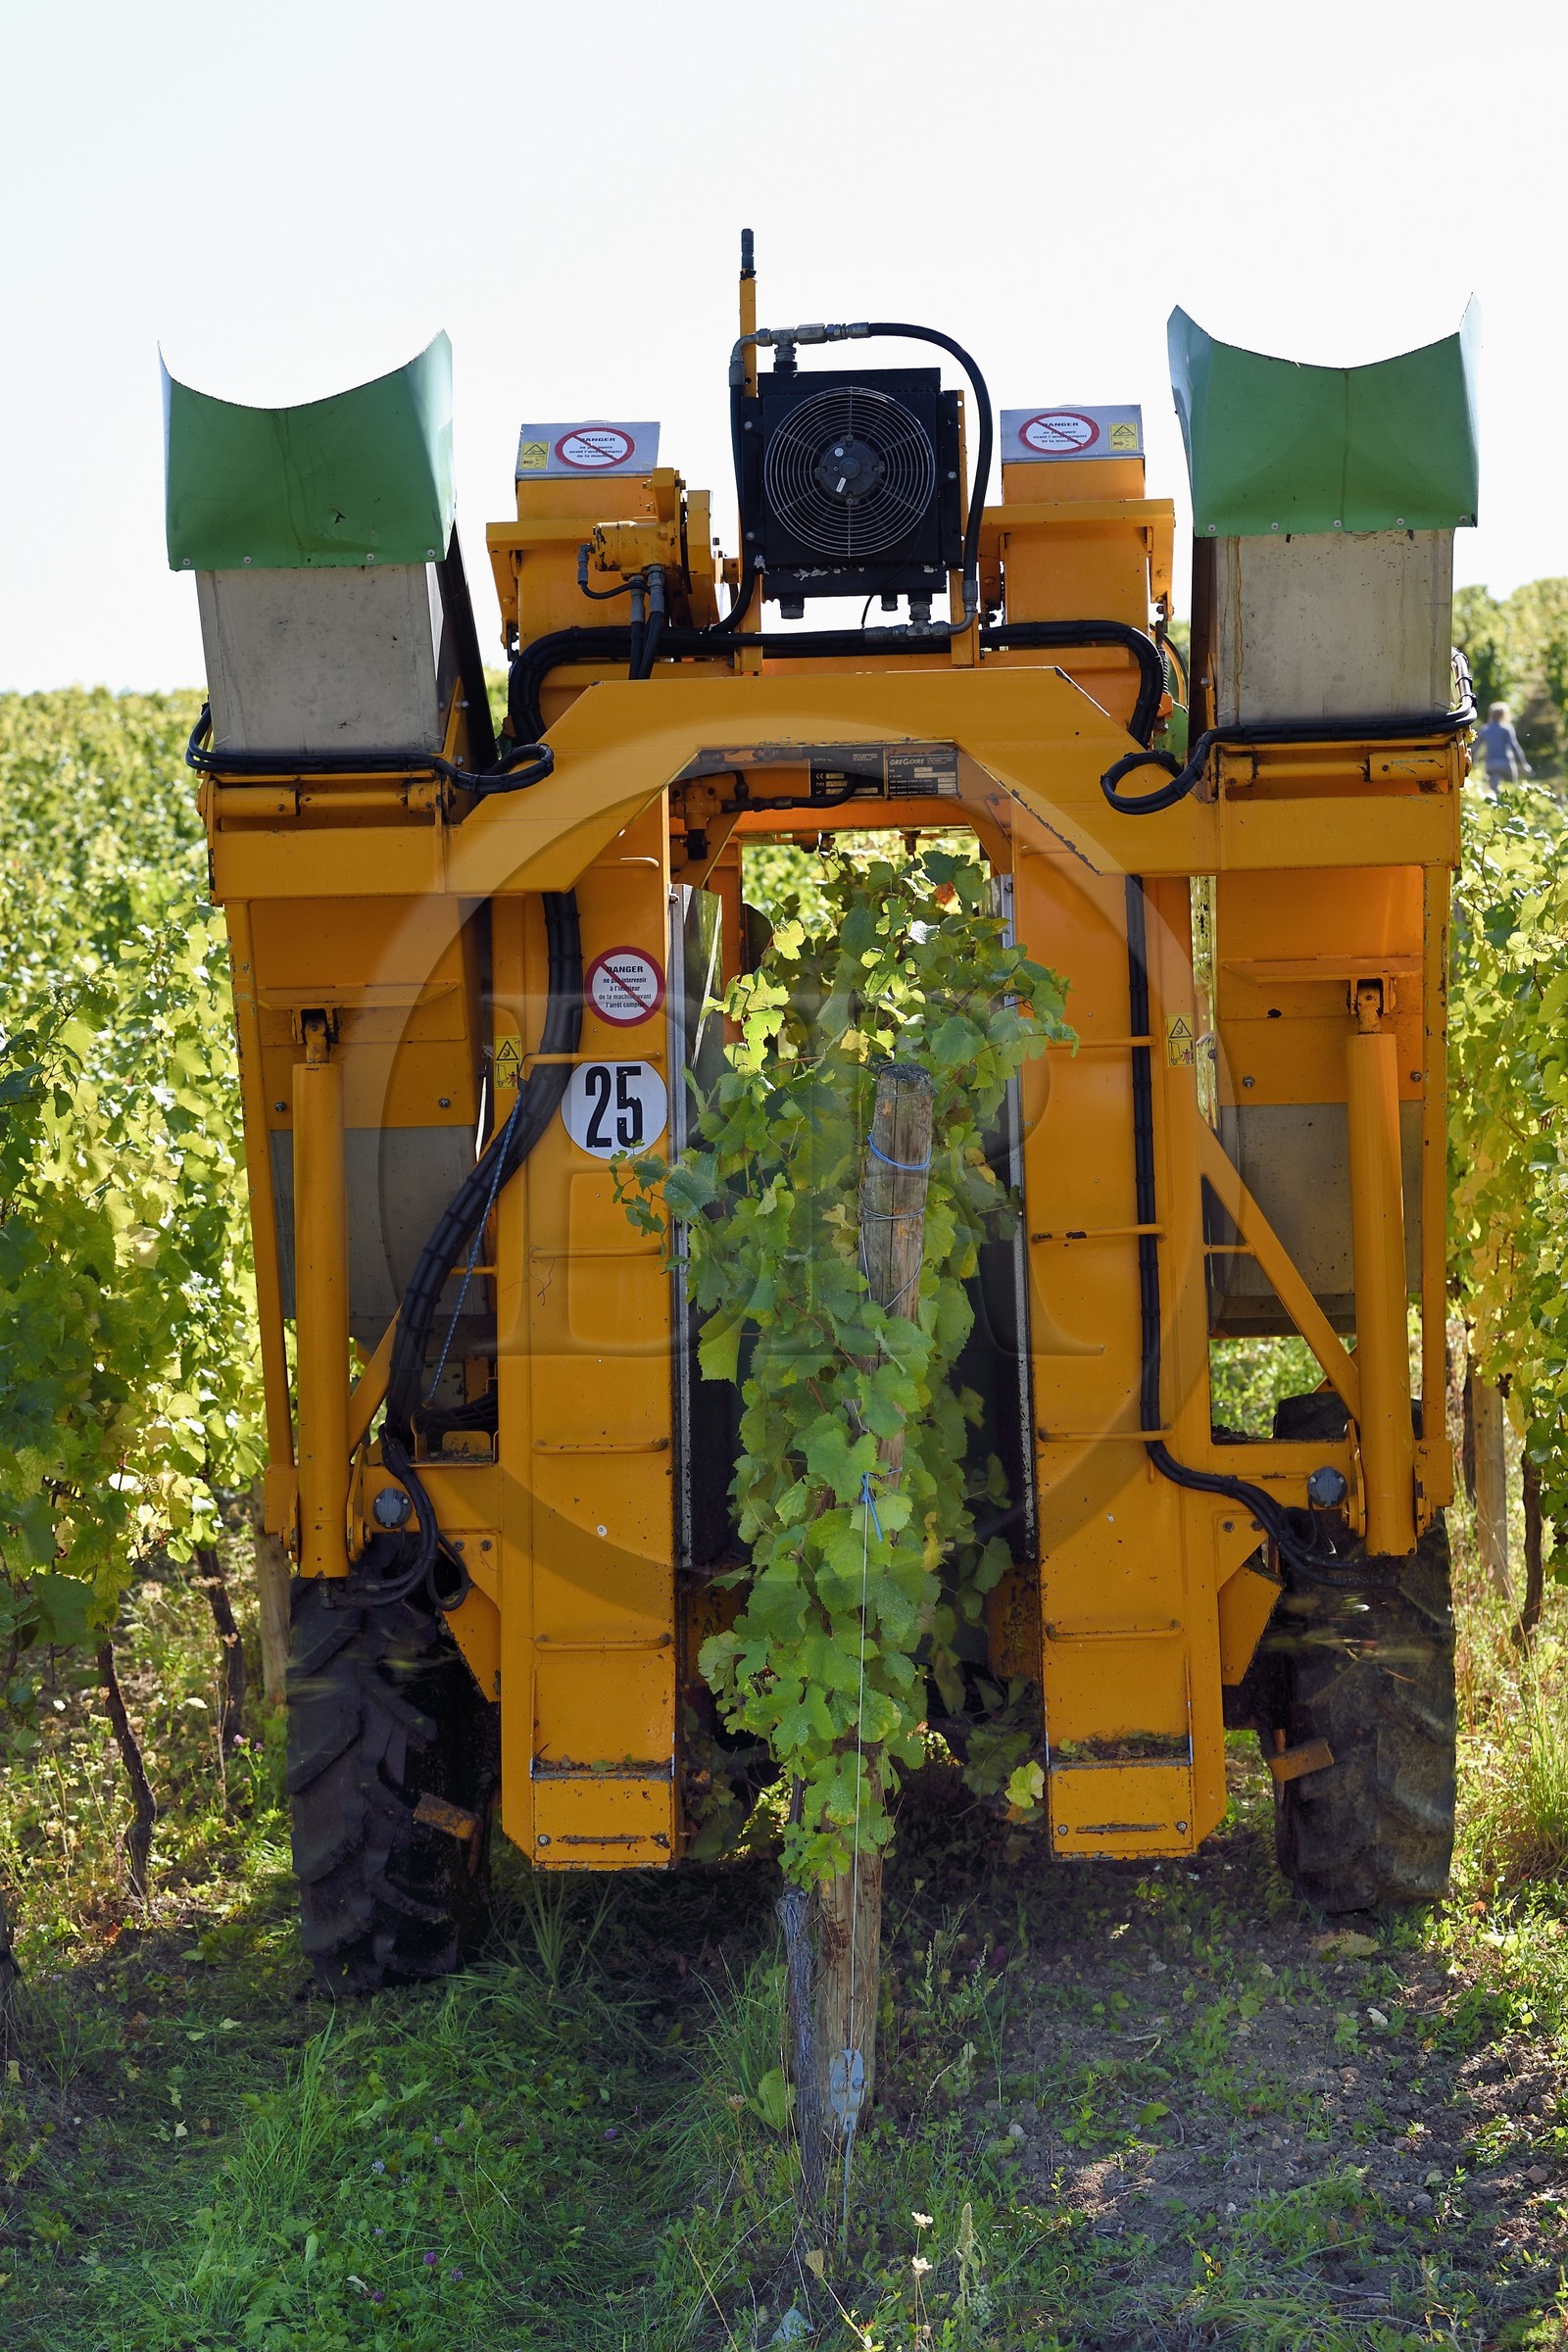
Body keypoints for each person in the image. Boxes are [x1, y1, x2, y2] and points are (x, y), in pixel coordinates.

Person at [1474, 702, 1532, 795]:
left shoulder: (1485, 729)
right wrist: (1523, 764)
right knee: (1512, 790)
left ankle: (1496, 807)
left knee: (1494, 792)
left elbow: (1476, 747)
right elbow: (1514, 747)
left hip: (1491, 764)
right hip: (1506, 763)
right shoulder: (1506, 729)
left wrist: (1473, 762)